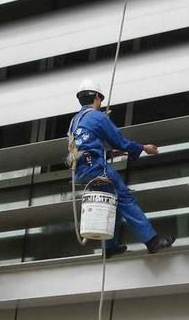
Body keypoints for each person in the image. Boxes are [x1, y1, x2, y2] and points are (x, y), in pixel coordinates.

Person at [68, 78, 175, 258]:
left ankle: (109, 247)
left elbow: (87, 147)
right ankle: (152, 241)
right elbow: (119, 141)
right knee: (125, 198)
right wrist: (143, 148)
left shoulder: (75, 120)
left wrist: (115, 152)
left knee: (112, 200)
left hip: (82, 170)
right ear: (97, 97)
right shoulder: (98, 117)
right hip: (96, 168)